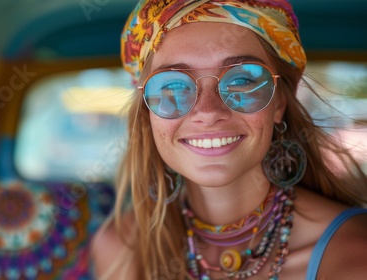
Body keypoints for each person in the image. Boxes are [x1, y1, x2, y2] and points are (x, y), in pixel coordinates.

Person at [91, 0, 367, 279]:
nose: (208, 112)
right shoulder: (121, 248)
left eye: (241, 81)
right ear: (148, 111)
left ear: (279, 102)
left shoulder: (354, 257)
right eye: (173, 85)